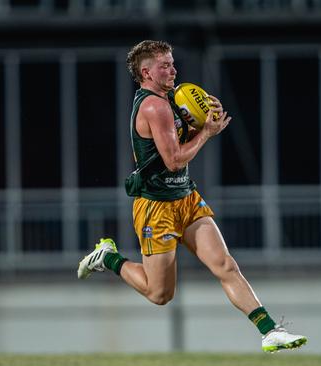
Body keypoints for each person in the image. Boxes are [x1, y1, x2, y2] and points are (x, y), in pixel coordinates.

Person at [78, 40, 307, 353]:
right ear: (146, 72)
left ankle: (269, 330)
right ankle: (109, 257)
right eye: (165, 66)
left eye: (172, 63)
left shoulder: (171, 97)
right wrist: (206, 133)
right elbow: (174, 160)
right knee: (160, 295)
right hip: (156, 207)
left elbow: (182, 134)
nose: (173, 70)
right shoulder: (153, 106)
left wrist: (199, 116)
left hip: (185, 197)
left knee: (225, 265)